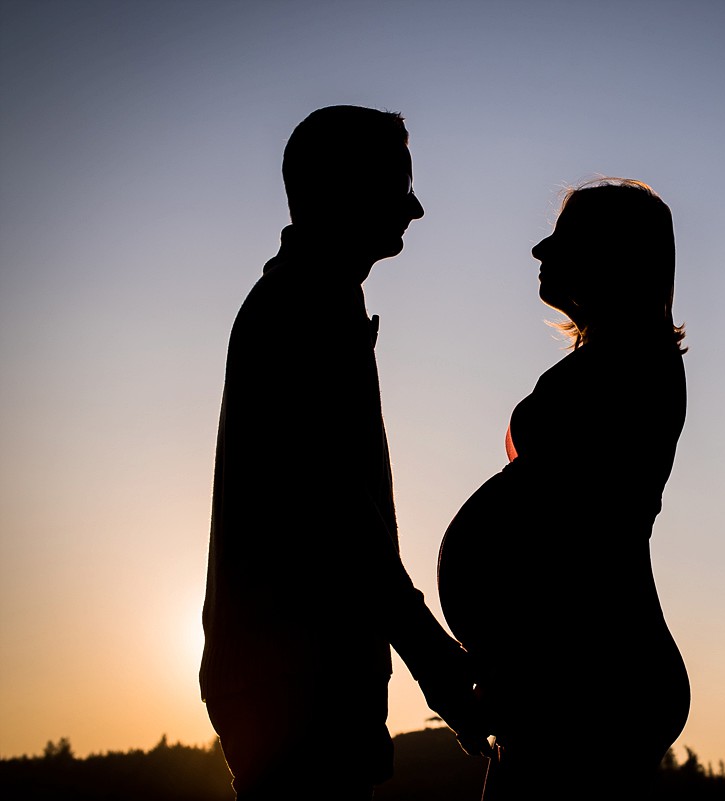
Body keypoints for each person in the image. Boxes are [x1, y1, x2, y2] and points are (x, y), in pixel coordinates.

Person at [200, 105, 484, 800]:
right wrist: (436, 661)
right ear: (345, 189)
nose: (415, 207)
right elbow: (340, 518)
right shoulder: (303, 313)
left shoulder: (309, 303)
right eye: (399, 185)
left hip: (299, 680)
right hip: (298, 685)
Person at [437, 178, 691, 799]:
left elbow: (579, 536)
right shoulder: (614, 360)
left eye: (562, 238)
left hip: (591, 675)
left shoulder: (633, 366)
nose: (538, 251)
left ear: (612, 255)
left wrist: (524, 659)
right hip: (564, 670)